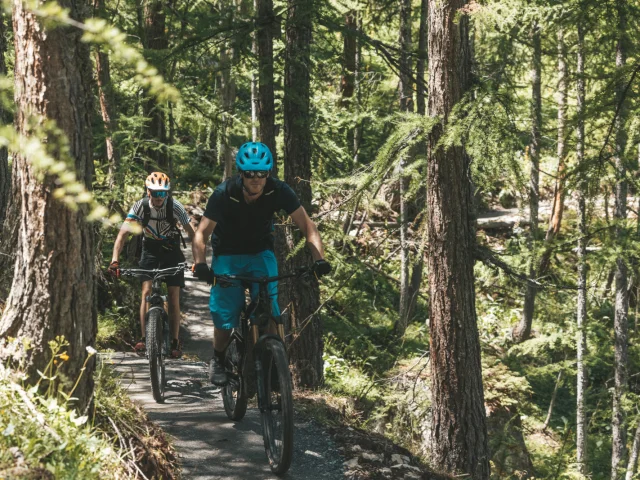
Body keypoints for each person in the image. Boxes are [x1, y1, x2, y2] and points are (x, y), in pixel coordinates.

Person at [192, 142, 331, 386]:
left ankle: (274, 365)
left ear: (268, 173)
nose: (255, 180)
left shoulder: (279, 191)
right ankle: (219, 358)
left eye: (262, 174)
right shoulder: (224, 193)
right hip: (228, 255)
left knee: (270, 310)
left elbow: (307, 226)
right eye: (249, 174)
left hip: (260, 253)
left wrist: (319, 259)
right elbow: (201, 234)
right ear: (241, 173)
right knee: (225, 312)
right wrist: (201, 264)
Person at [109, 172, 195, 358]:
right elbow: (122, 235)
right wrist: (115, 260)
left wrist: (198, 260)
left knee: (173, 294)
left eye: (162, 193)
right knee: (146, 292)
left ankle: (174, 341)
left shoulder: (175, 206)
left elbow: (192, 233)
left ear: (167, 194)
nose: (158, 197)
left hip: (171, 251)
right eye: (155, 193)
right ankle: (144, 336)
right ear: (148, 191)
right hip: (149, 250)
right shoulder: (140, 206)